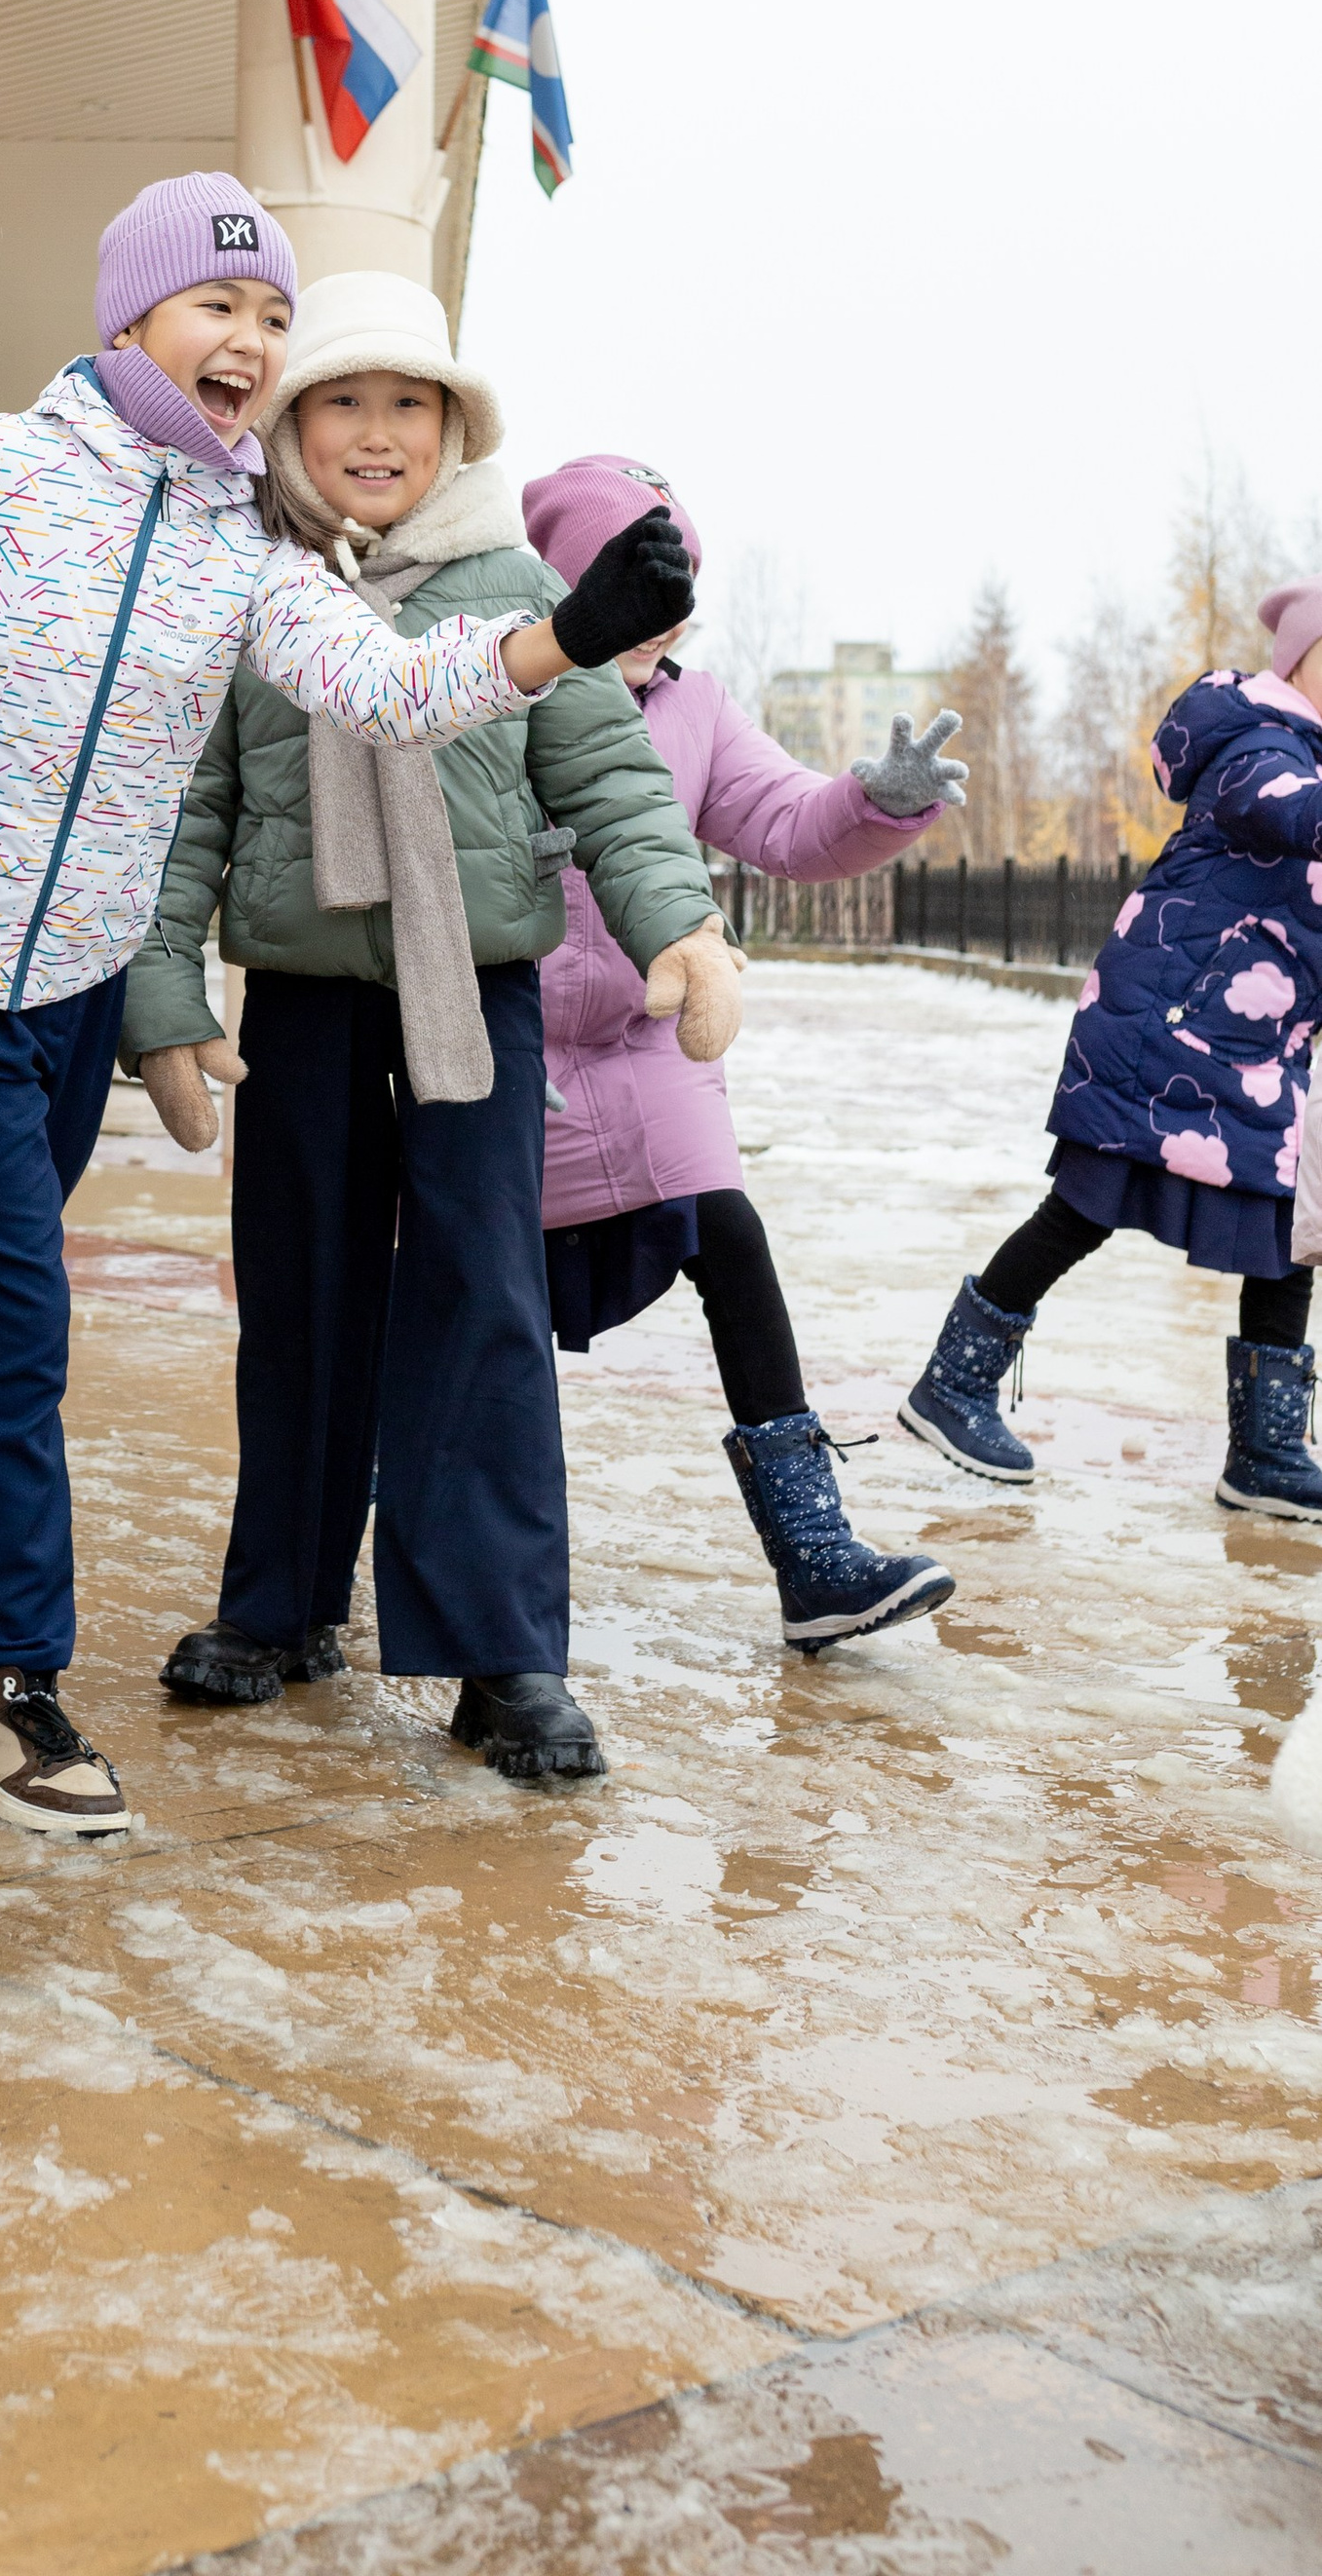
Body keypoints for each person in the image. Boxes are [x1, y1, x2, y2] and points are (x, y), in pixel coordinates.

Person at [0, 176, 699, 1839]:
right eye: (216, 305)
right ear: (129, 316)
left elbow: (389, 693)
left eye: (270, 313)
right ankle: (7, 1692)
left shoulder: (249, 551)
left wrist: (554, 643)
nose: (248, 339)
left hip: (78, 984)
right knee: (18, 1318)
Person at [119, 276, 736, 1782]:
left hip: (479, 998)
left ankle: (503, 1649)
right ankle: (281, 1604)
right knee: (304, 1297)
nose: (376, 434)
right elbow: (189, 806)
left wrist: (682, 924)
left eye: (410, 405)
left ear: (454, 429)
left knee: (481, 1305)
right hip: (308, 1005)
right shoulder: (251, 584)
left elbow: (613, 785)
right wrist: (163, 989)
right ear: (289, 421)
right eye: (343, 401)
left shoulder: (515, 589)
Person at [524, 455, 962, 1651]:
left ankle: (814, 1557)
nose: (662, 617)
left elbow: (783, 821)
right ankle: (389, 1520)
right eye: (638, 581)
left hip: (653, 1033)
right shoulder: (495, 681)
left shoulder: (694, 708)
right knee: (455, 1296)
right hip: (504, 1047)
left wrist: (877, 798)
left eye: (679, 593)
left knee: (730, 1236)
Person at [906, 584, 1322, 1523]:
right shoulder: (1260, 744)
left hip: (1253, 1049)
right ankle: (955, 1383)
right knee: (1086, 1206)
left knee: (1284, 1238)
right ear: (1303, 660)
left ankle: (1264, 1452)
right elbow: (1291, 816)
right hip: (1164, 1029)